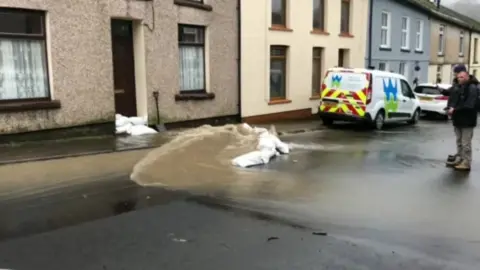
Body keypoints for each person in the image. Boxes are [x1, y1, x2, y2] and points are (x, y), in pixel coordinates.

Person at [445, 64, 478, 171]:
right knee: (459, 141)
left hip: (467, 120)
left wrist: (454, 109)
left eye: (462, 77)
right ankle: (461, 159)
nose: (459, 78)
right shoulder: (459, 86)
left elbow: (469, 104)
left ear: (467, 76)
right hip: (458, 119)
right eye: (458, 77)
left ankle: (466, 162)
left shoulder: (472, 87)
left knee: (465, 143)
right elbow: (455, 99)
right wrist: (451, 108)